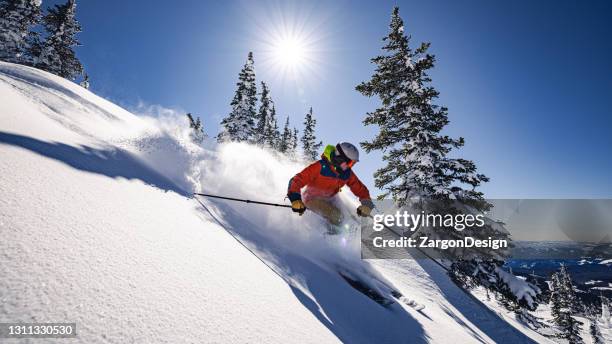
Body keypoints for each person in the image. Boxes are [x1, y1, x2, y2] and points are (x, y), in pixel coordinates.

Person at [287, 142, 375, 229]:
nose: (350, 167)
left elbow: (360, 189)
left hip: (330, 200)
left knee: (351, 218)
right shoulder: (320, 167)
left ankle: (350, 233)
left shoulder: (346, 173)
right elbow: (297, 180)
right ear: (341, 159)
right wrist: (295, 199)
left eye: (353, 164)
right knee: (337, 217)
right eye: (350, 163)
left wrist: (366, 204)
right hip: (311, 199)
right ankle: (329, 238)